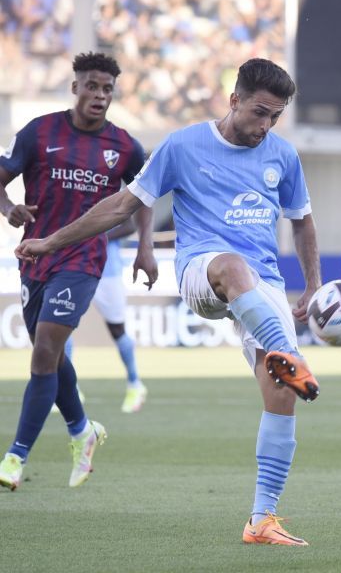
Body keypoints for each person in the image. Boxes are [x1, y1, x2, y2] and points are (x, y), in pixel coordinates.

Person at [14, 58, 322, 547]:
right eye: (259, 112)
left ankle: (262, 520)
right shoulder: (182, 145)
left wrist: (312, 285)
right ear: (234, 99)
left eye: (275, 117)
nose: (265, 126)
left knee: (281, 395)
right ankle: (293, 354)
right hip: (203, 269)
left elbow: (302, 220)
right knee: (233, 268)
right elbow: (121, 205)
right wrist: (51, 242)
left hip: (262, 285)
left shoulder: (282, 156)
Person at [0, 52, 156, 491]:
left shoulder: (124, 146)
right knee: (49, 356)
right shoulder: (39, 132)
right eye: (92, 86)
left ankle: (15, 456)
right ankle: (82, 431)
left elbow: (146, 194)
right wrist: (10, 208)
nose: (100, 95)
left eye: (107, 89)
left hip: (84, 260)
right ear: (75, 88)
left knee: (46, 348)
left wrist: (145, 248)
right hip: (34, 257)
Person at [63, 219, 148, 413]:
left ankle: (135, 383)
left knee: (117, 329)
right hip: (74, 269)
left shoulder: (109, 191)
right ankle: (68, 388)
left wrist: (93, 237)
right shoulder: (71, 192)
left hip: (108, 271)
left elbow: (130, 225)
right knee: (63, 326)